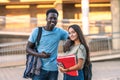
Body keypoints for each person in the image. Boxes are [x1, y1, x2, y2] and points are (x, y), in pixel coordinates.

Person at [26, 8, 68, 80]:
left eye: (55, 18)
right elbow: (27, 48)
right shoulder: (37, 31)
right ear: (46, 18)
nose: (53, 20)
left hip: (53, 70)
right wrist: (39, 55)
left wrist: (68, 42)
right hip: (38, 69)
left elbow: (72, 37)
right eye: (50, 18)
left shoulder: (60, 32)